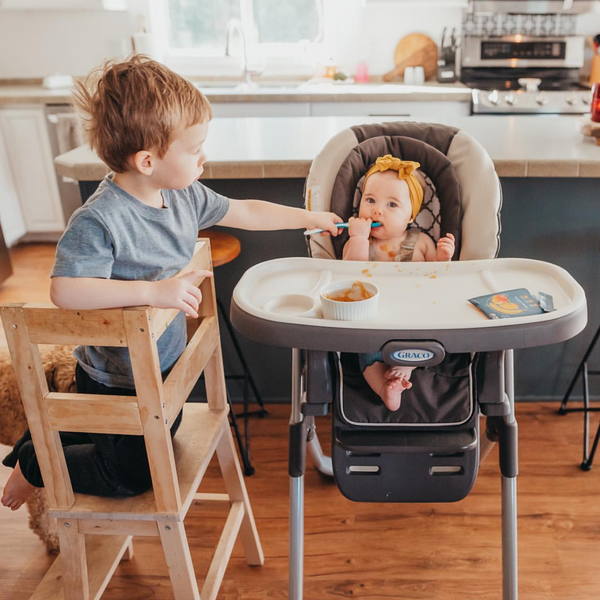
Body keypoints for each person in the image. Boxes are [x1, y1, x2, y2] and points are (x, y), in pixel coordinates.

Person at [1, 55, 342, 511]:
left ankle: (50, 436)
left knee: (155, 435)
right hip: (114, 379)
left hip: (160, 369)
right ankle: (35, 461)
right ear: (147, 160)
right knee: (130, 476)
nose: (204, 157)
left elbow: (246, 211)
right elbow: (65, 290)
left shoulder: (183, 195)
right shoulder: (100, 219)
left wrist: (312, 219)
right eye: (194, 148)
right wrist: (152, 292)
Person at [343, 155, 455, 412]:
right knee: (367, 357)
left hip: (413, 316)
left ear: (410, 216)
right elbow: (348, 273)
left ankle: (404, 368)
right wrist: (358, 238)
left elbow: (438, 281)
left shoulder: (421, 241)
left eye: (391, 204)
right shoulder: (359, 242)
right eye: (370, 200)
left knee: (423, 335)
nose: (376, 210)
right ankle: (385, 388)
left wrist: (443, 258)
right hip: (371, 319)